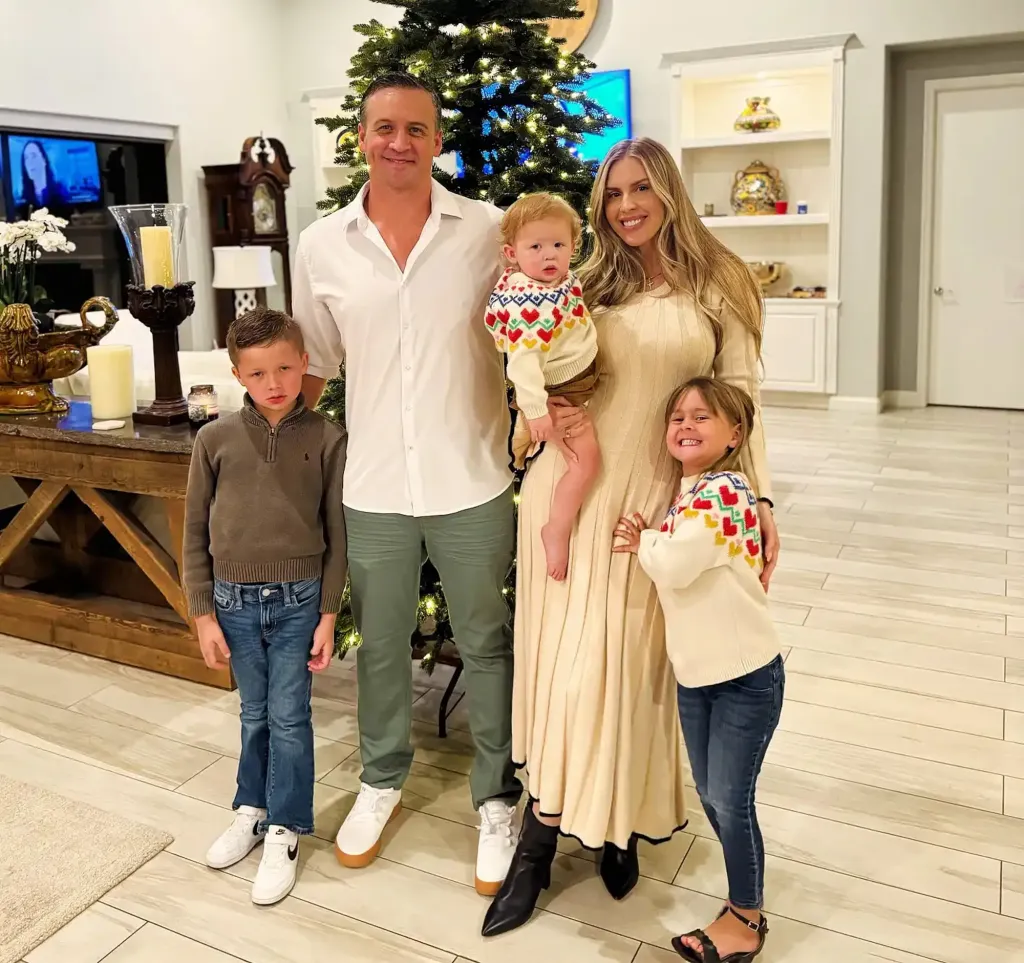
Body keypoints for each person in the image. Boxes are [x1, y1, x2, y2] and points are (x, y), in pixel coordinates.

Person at [482, 137, 780, 937]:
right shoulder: (584, 280)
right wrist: (536, 420)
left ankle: (617, 822)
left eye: (641, 188)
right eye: (612, 194)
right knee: (567, 669)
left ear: (669, 190)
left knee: (631, 670)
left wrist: (758, 500)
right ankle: (537, 845)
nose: (626, 206)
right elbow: (534, 361)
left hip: (652, 509)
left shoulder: (720, 283)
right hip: (572, 494)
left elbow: (742, 399)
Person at [291, 72, 523, 897]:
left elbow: (530, 334)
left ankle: (496, 794)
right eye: (384, 127)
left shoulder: (488, 231)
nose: (399, 142)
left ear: (437, 140)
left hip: (473, 476)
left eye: (416, 129)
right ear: (361, 137)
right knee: (383, 646)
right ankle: (381, 777)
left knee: (488, 641)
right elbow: (314, 363)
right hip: (376, 484)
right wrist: (269, 447)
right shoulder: (321, 245)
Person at [182, 307, 347, 906]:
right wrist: (203, 613)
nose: (273, 383)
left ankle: (286, 827)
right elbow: (194, 529)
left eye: (284, 368)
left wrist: (328, 613)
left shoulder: (328, 439)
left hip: (300, 600)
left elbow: (337, 533)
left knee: (289, 716)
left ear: (304, 363)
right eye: (257, 373)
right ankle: (251, 809)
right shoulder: (214, 439)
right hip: (233, 602)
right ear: (237, 375)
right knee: (254, 713)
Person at [614, 377, 782, 963]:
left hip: (744, 677)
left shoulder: (726, 491)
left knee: (730, 800)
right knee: (713, 795)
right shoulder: (692, 492)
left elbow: (676, 564)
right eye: (677, 416)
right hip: (699, 676)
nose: (686, 425)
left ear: (735, 435)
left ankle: (747, 919)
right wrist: (658, 538)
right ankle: (742, 903)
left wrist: (644, 539)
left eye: (702, 416)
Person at [486, 192, 601, 580]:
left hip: (575, 373)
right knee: (586, 462)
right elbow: (522, 364)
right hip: (564, 388)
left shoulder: (551, 282)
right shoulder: (530, 304)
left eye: (558, 245)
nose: (549, 255)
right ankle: (556, 528)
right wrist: (536, 412)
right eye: (535, 247)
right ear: (512, 253)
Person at [19, 140, 69, 214]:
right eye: (26, 158)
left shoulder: (60, 191)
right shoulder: (24, 199)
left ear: (44, 160)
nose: (30, 162)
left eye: (34, 156)